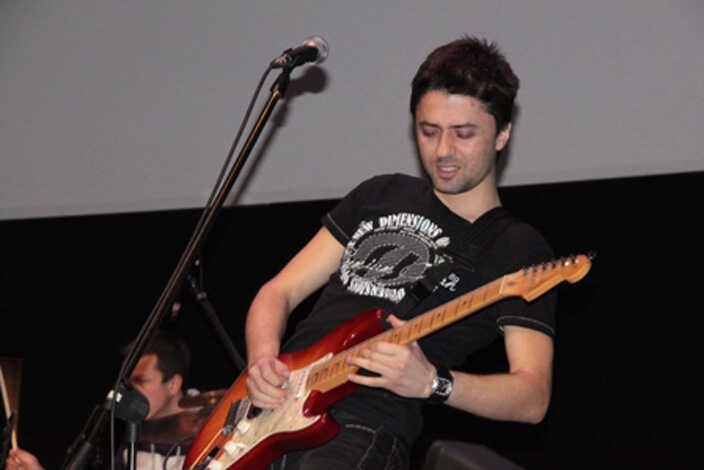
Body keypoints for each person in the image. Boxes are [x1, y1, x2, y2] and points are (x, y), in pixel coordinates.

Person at [245, 35, 557, 470]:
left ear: (502, 133)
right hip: (265, 421)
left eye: (464, 134)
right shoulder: (380, 193)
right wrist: (262, 361)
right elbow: (278, 292)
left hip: (361, 431)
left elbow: (532, 397)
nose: (443, 151)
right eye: (428, 132)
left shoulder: (516, 247)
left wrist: (433, 382)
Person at [5, 330, 207, 470]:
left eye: (142, 381)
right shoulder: (130, 432)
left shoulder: (208, 432)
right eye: (129, 383)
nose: (131, 392)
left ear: (173, 384)